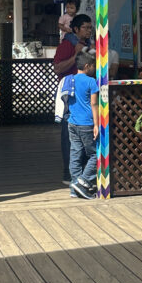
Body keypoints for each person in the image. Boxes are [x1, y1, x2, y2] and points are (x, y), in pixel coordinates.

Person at [53, 14, 93, 182]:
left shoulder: (89, 45)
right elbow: (57, 68)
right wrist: (75, 56)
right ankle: (68, 173)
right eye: (85, 27)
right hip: (70, 94)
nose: (89, 31)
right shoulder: (66, 45)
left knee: (85, 132)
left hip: (85, 92)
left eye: (90, 27)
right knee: (68, 134)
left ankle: (82, 172)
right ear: (76, 29)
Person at [68, 52, 100, 200]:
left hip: (72, 122)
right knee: (95, 154)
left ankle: (74, 187)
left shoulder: (70, 80)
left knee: (75, 155)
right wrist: (96, 124)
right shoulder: (91, 81)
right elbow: (94, 103)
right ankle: (84, 182)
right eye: (93, 66)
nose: (94, 68)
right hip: (86, 123)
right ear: (87, 66)